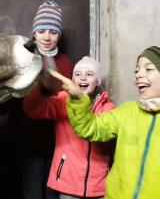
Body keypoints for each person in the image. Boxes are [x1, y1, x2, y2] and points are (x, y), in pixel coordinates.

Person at [49, 46, 160, 199]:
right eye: (137, 71)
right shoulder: (126, 112)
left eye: (148, 69)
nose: (138, 75)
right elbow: (90, 127)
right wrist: (77, 100)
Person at [23, 56, 116, 199]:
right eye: (78, 74)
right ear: (72, 81)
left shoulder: (108, 108)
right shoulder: (63, 101)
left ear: (97, 81)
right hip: (69, 183)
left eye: (89, 74)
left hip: (98, 185)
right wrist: (42, 86)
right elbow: (33, 109)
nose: (83, 78)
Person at [10, 0, 73, 199]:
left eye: (53, 32)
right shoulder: (24, 57)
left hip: (58, 142)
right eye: (42, 30)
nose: (47, 37)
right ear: (34, 32)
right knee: (33, 193)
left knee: (53, 193)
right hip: (29, 139)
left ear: (59, 36)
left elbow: (68, 101)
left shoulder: (64, 62)